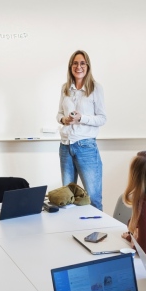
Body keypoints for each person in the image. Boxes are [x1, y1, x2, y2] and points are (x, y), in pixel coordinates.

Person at [57, 50, 107, 211]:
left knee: (93, 198)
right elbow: (59, 114)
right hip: (65, 146)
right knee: (67, 199)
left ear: (88, 66)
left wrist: (81, 118)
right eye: (75, 63)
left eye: (82, 63)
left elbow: (102, 118)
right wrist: (64, 119)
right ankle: (70, 233)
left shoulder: (95, 88)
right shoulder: (65, 88)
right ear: (71, 66)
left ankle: (96, 234)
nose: (79, 67)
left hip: (86, 147)